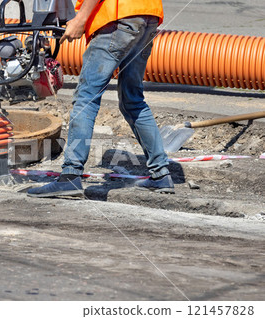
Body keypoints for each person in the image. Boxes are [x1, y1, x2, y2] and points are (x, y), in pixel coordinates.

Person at [27, 0, 174, 197]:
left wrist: (81, 19)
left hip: (118, 17)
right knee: (132, 98)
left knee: (86, 97)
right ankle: (161, 173)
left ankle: (70, 175)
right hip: (147, 15)